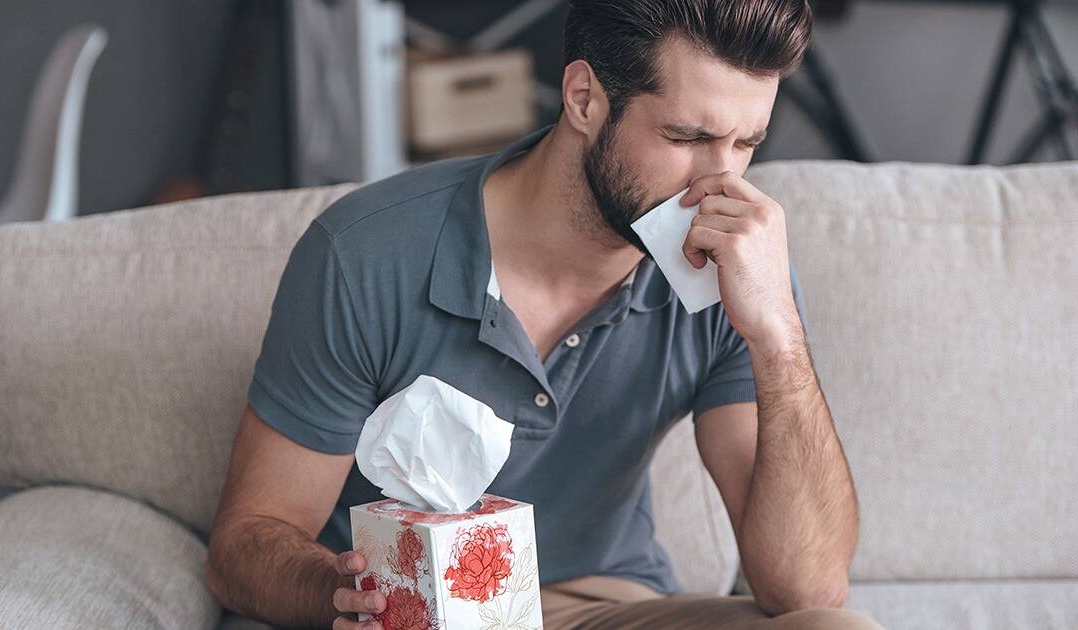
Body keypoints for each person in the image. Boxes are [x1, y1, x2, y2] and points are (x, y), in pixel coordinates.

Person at [204, 1, 885, 628]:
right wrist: (343, 595)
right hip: (411, 607)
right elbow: (245, 543)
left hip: (596, 606)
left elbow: (806, 590)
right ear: (584, 97)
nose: (719, 182)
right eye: (687, 136)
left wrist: (779, 339)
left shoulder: (732, 269)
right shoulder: (367, 254)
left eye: (746, 144)